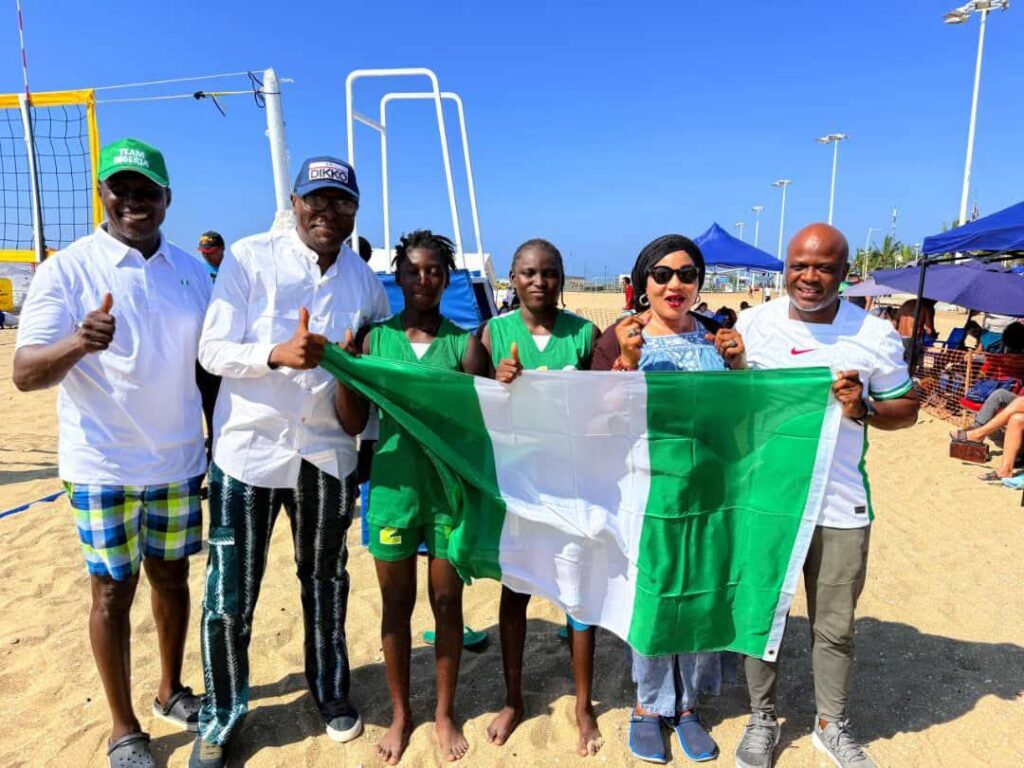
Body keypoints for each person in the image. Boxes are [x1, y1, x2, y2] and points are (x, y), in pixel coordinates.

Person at [12, 138, 214, 768]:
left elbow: (208, 368)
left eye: (146, 191)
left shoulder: (192, 271)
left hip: (178, 460)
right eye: (120, 190)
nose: (133, 202)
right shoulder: (67, 270)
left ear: (167, 198)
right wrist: (79, 342)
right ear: (101, 194)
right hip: (102, 464)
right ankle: (124, 728)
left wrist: (219, 442)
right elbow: (25, 372)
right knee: (110, 593)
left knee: (173, 578)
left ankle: (170, 690)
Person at [190, 156, 390, 767]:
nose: (328, 212)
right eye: (316, 200)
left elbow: (375, 374)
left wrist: (366, 446)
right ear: (296, 203)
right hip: (248, 453)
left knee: (327, 581)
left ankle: (330, 691)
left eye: (341, 202)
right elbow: (212, 349)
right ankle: (221, 714)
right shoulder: (250, 258)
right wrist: (275, 353)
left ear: (355, 210)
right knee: (230, 593)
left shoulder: (366, 283)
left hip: (327, 456)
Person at [732, 223, 918, 768]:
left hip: (840, 503)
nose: (809, 277)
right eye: (799, 265)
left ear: (845, 273)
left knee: (834, 626)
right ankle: (762, 719)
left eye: (824, 268)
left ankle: (830, 725)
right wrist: (734, 366)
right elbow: (734, 405)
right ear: (786, 267)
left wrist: (864, 407)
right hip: (768, 501)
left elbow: (906, 411)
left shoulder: (875, 334)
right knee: (761, 614)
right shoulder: (752, 325)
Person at [591, 235, 746, 764]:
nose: (674, 284)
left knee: (701, 591)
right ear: (643, 283)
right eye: (661, 274)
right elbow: (596, 419)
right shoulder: (620, 336)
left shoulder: (718, 337)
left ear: (699, 282)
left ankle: (688, 705)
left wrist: (740, 368)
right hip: (647, 490)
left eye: (686, 274)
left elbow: (741, 415)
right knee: (655, 595)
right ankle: (648, 704)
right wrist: (626, 362)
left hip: (709, 490)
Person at [335, 230, 487, 764]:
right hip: (393, 492)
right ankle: (402, 714)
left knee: (447, 604)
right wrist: (346, 372)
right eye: (414, 270)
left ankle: (444, 713)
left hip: (448, 495)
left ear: (447, 278)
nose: (424, 279)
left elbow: (483, 429)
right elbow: (353, 422)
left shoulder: (465, 346)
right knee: (396, 607)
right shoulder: (375, 341)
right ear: (397, 276)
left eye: (434, 270)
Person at [481, 238, 604, 757]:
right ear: (512, 277)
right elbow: (472, 402)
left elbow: (605, 406)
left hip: (572, 484)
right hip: (517, 487)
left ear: (561, 277)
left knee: (578, 595)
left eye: (549, 272)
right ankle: (514, 698)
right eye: (528, 272)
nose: (538, 281)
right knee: (516, 591)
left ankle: (584, 705)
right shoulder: (493, 333)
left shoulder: (584, 333)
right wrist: (496, 381)